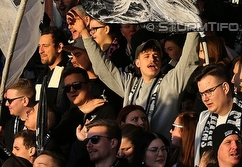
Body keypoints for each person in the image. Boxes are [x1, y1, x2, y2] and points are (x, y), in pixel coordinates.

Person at [72, 11, 201, 137]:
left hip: (159, 154)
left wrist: (193, 19)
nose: (152, 59)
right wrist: (84, 32)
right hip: (131, 153)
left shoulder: (172, 82)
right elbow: (103, 68)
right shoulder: (129, 84)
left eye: (156, 55)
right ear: (137, 62)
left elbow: (189, 60)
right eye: (146, 56)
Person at [194, 64, 242, 167]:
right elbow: (198, 161)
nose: (205, 99)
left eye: (209, 91)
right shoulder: (203, 118)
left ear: (225, 87)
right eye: (202, 94)